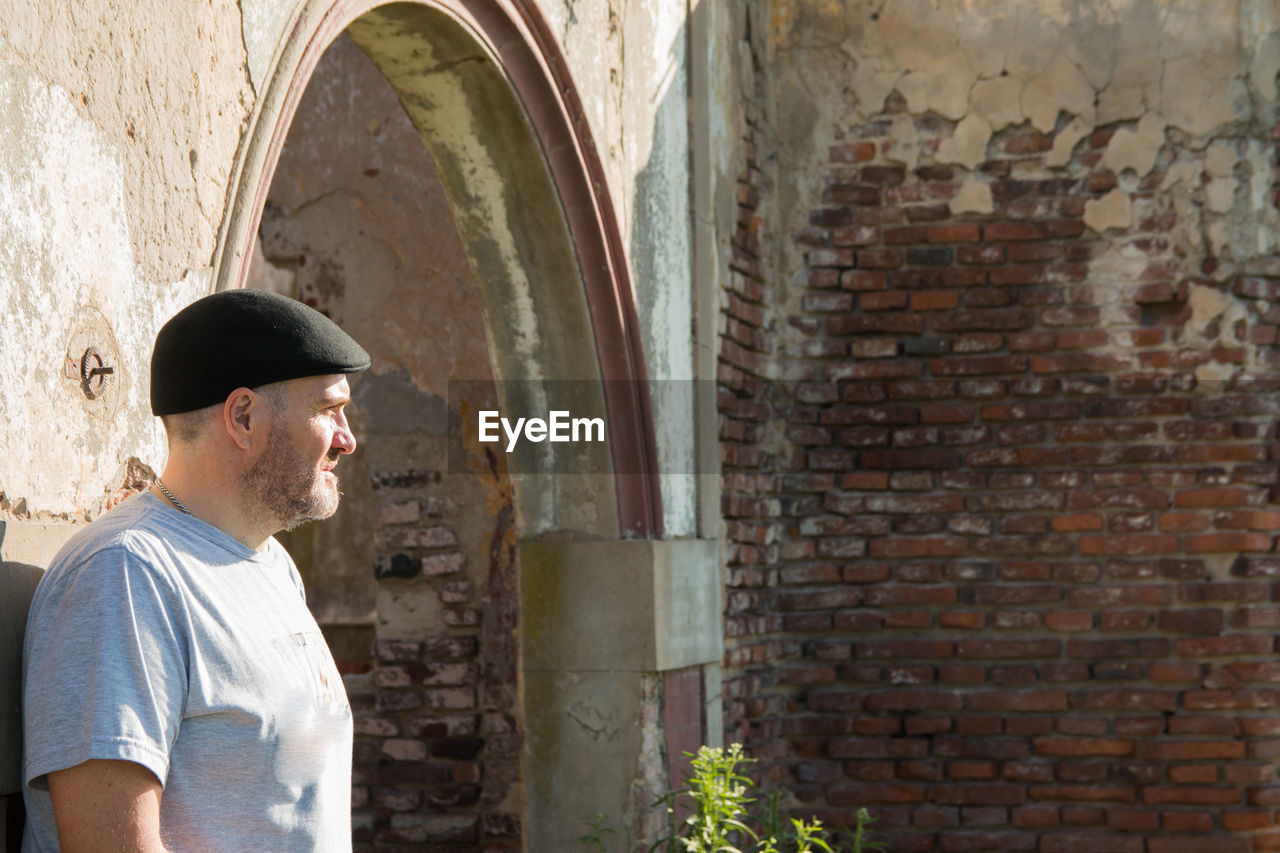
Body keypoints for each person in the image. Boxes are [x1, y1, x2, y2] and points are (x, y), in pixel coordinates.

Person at [21, 288, 370, 852]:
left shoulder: (271, 563)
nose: (347, 439)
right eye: (330, 410)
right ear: (243, 416)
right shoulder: (126, 575)